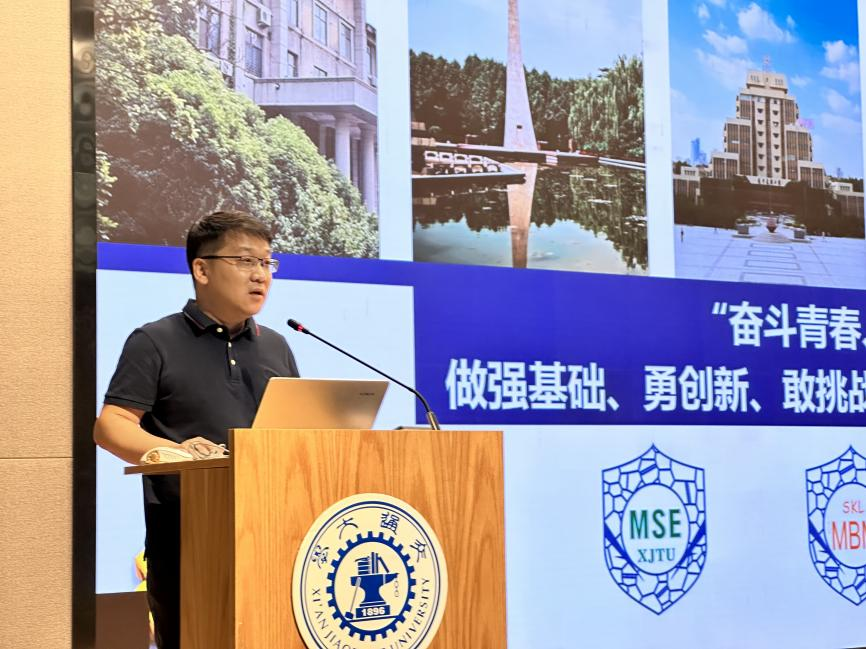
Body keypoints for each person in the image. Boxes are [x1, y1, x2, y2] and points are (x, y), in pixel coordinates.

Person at [93, 210, 299, 649]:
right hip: (188, 542)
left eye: (267, 262)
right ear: (201, 270)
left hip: (272, 535)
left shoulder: (277, 346)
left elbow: (294, 437)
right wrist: (179, 453)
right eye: (245, 260)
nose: (260, 274)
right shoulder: (155, 341)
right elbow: (111, 426)